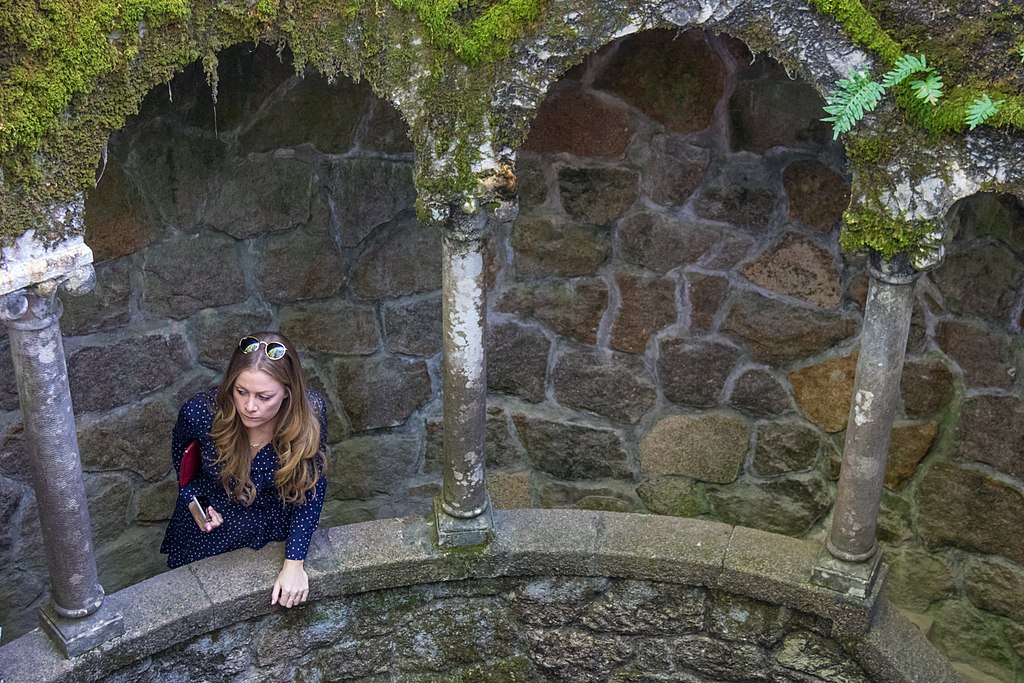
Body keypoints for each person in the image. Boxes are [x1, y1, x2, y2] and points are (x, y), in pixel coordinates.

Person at [160, 332, 328, 609]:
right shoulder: (201, 413)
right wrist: (193, 502)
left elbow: (312, 488)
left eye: (264, 396)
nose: (250, 406)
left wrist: (294, 562)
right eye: (241, 392)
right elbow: (184, 465)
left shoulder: (312, 414)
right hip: (211, 533)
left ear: (288, 392)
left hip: (272, 531)